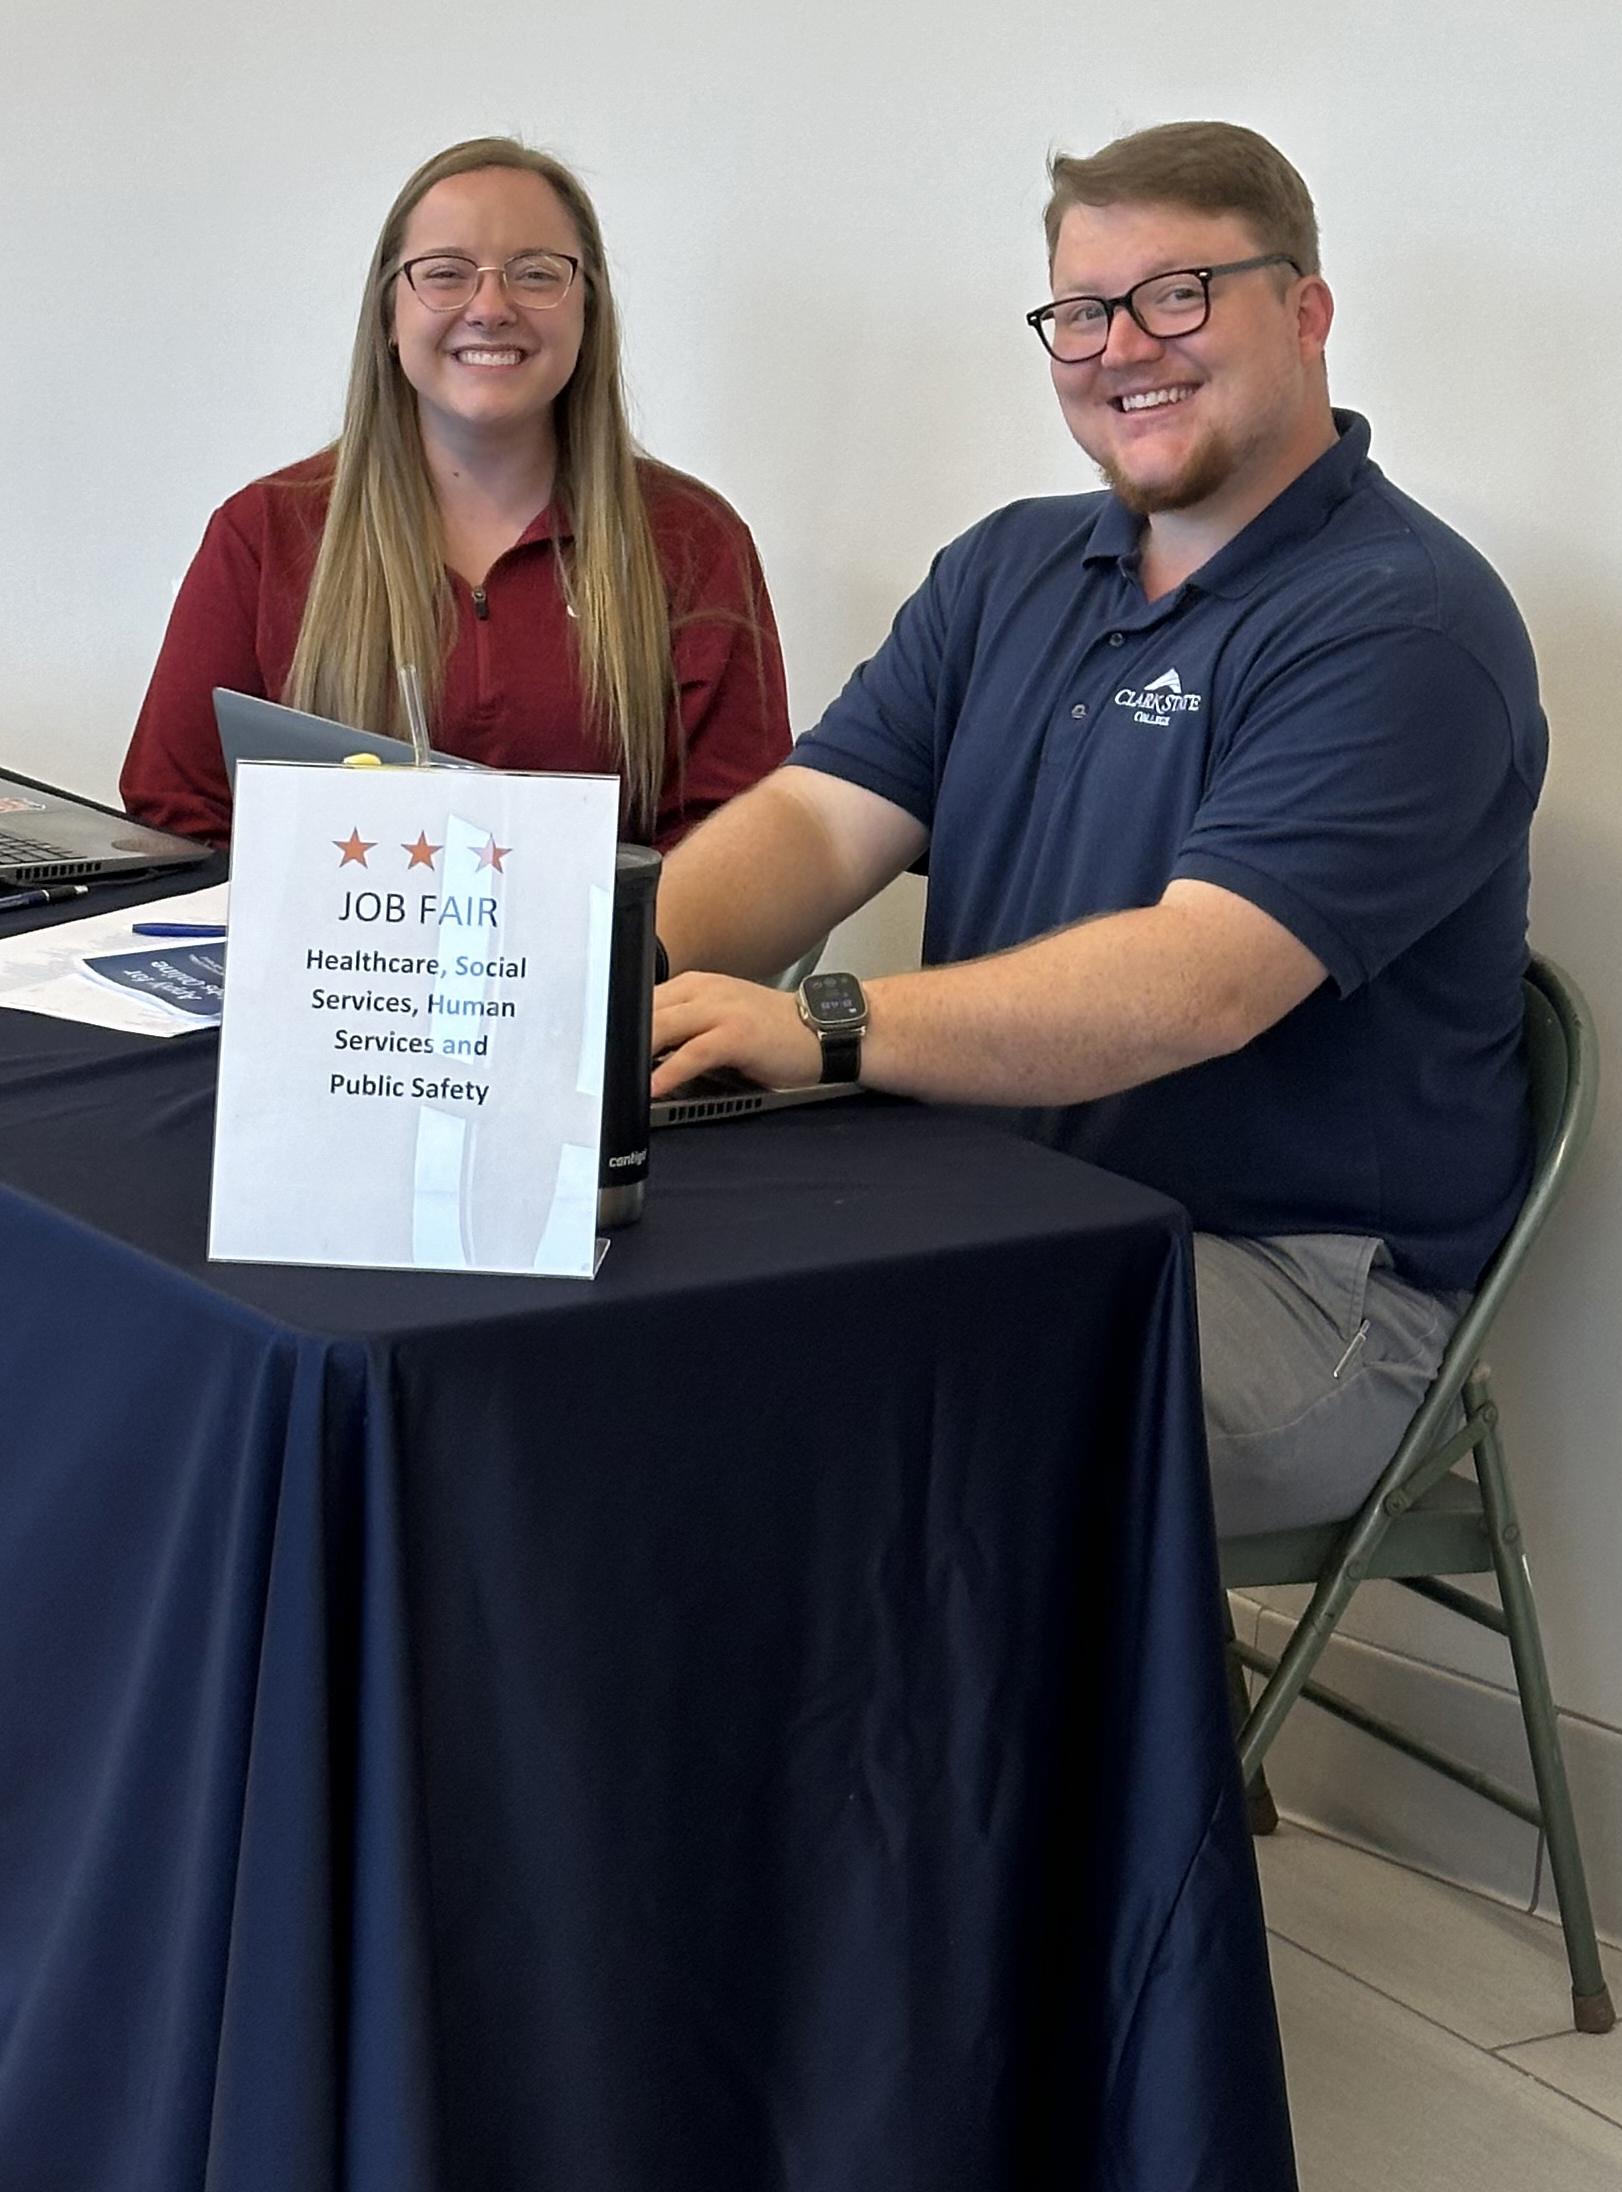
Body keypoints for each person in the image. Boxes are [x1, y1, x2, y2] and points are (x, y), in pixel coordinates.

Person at [648, 121, 1545, 1538]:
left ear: (1305, 313)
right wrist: (600, 965)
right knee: (634, 1280)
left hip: (1295, 1293)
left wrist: (822, 1023)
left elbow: (1201, 981)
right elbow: (815, 830)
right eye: (1081, 309)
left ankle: (1074, 1765)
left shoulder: (1400, 620)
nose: (1124, 344)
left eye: (1178, 292)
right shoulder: (1010, 564)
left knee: (810, 1395)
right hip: (993, 1196)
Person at [121, 136, 790, 854]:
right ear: (388, 315)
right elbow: (177, 821)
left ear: (588, 312)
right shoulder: (262, 534)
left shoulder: (692, 541)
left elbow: (733, 848)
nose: (491, 307)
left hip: (616, 968)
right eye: (445, 274)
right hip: (325, 965)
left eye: (536, 274)